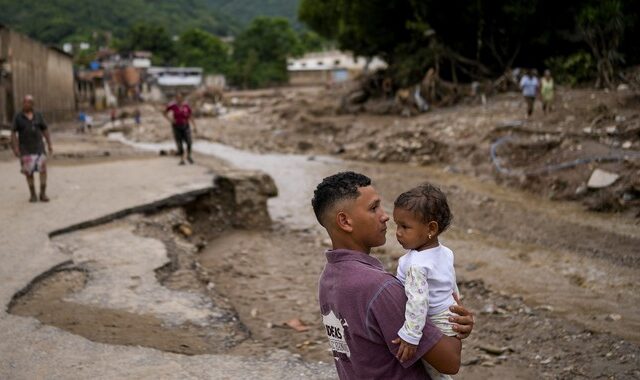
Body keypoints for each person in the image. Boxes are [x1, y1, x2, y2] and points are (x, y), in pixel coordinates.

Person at [312, 172, 474, 379]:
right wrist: (452, 328)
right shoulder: (380, 288)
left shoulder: (329, 278)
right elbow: (450, 362)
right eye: (373, 208)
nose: (385, 215)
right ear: (345, 221)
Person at [393, 183, 459, 380]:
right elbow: (450, 283)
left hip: (433, 321)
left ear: (431, 228)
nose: (397, 232)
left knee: (431, 372)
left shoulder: (416, 264)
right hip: (448, 317)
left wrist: (411, 336)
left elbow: (418, 301)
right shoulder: (445, 252)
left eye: (405, 226)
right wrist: (457, 305)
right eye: (397, 225)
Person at [10, 95, 53, 202]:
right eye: (24, 102)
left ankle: (43, 194)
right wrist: (15, 148)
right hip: (25, 149)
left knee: (43, 171)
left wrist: (49, 144)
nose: (26, 104)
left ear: (32, 104)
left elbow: (45, 129)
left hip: (39, 148)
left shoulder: (38, 115)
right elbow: (13, 133)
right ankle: (33, 194)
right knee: (28, 172)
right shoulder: (18, 116)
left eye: (28, 102)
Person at [164, 92, 197, 165]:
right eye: (177, 98)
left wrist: (194, 126)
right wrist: (171, 120)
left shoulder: (186, 106)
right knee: (179, 142)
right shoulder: (173, 106)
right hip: (176, 126)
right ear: (175, 98)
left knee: (189, 141)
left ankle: (189, 156)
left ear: (182, 98)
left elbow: (190, 116)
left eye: (180, 97)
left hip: (185, 125)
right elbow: (165, 113)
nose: (179, 99)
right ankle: (182, 159)